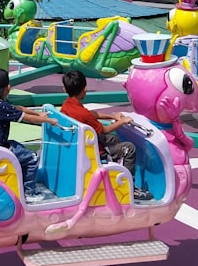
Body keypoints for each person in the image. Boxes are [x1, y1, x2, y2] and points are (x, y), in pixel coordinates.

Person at [60, 69, 153, 201]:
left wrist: (112, 116)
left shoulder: (67, 106)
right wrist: (122, 121)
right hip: (93, 151)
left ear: (65, 89)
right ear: (84, 90)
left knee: (113, 139)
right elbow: (104, 130)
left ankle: (114, 174)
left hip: (81, 144)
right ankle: (129, 187)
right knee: (129, 148)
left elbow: (91, 115)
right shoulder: (82, 113)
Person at [0, 68, 58, 202]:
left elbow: (19, 108)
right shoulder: (2, 107)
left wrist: (39, 114)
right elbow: (27, 118)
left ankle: (21, 184)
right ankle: (29, 193)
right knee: (32, 158)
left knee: (19, 147)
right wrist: (49, 120)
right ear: (8, 87)